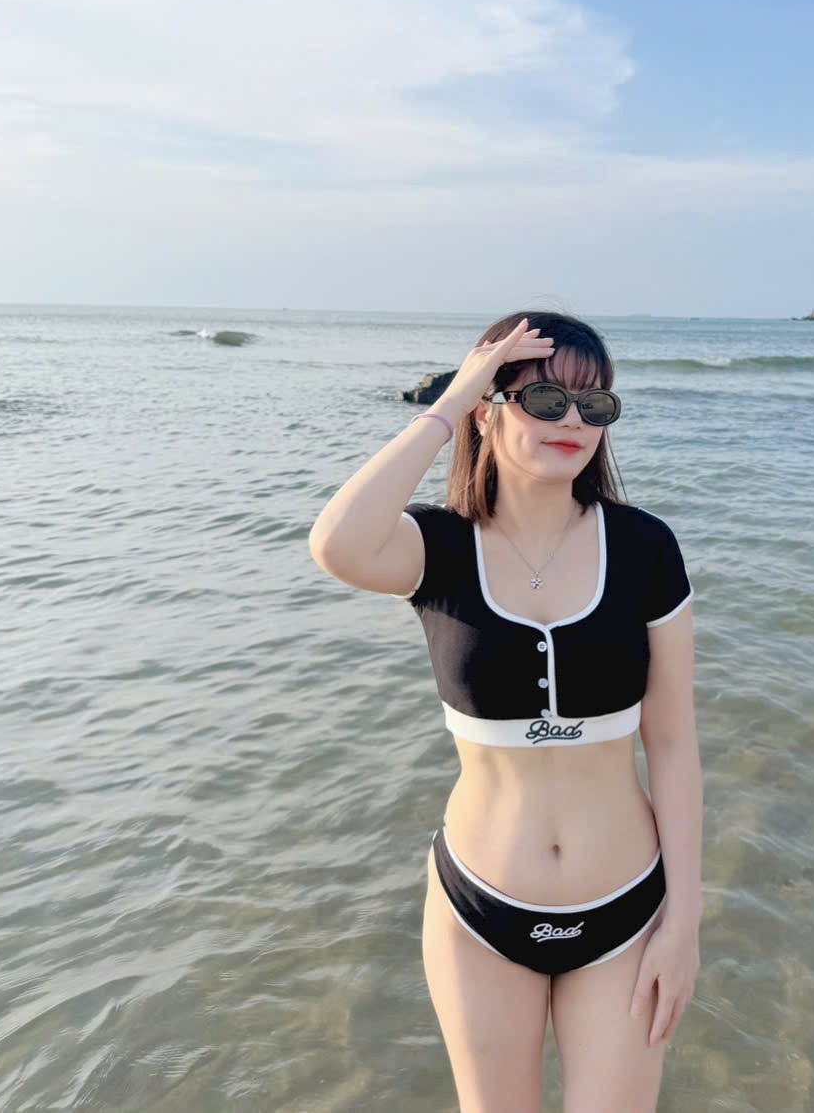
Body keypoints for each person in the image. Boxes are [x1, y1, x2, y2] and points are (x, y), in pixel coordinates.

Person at [309, 312, 703, 1113]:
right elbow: (337, 543)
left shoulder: (645, 549)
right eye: (546, 399)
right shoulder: (438, 547)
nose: (573, 421)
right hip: (479, 908)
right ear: (490, 412)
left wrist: (684, 922)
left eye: (595, 405)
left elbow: (673, 745)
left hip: (624, 907)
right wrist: (452, 398)